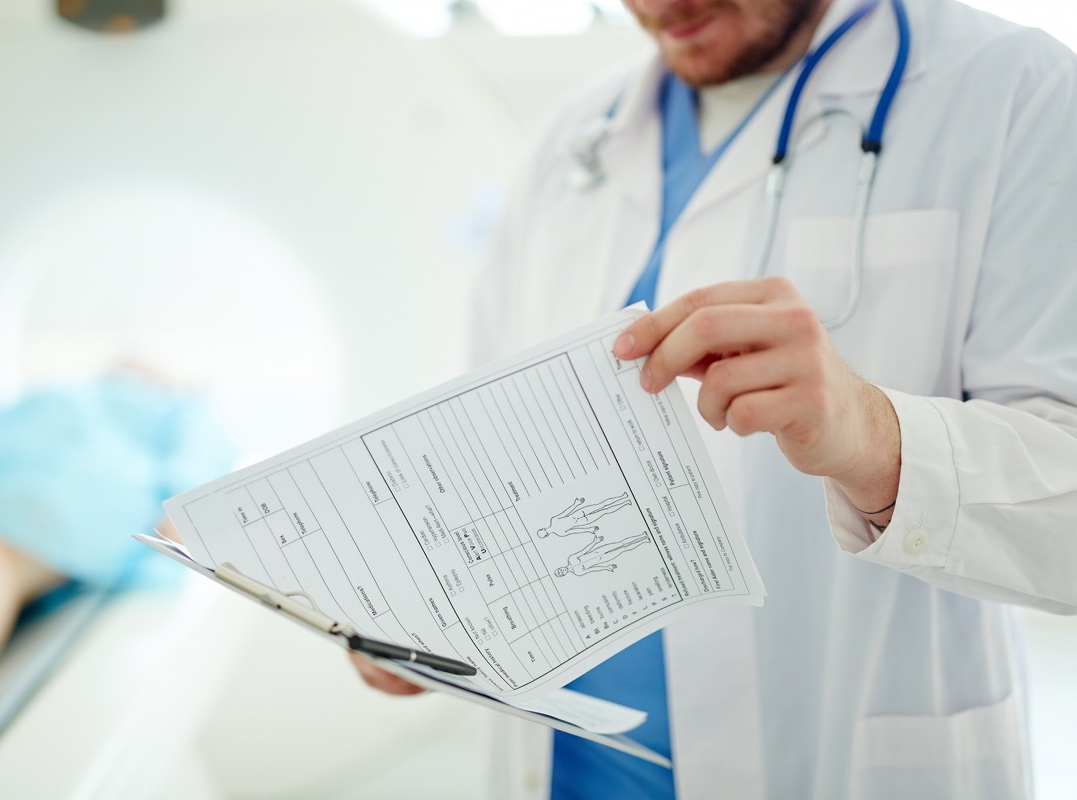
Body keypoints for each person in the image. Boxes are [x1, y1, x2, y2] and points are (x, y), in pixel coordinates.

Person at [351, 0, 1077, 797]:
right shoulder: (574, 138)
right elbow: (485, 449)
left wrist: (872, 436)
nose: (656, 7)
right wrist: (429, 602)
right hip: (568, 771)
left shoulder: (1017, 91)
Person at [0, 372, 232, 741]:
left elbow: (188, 497)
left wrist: (178, 513)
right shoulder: (58, 391)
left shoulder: (184, 409)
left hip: (75, 475)